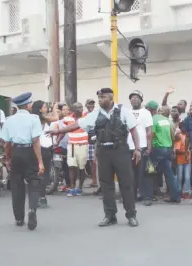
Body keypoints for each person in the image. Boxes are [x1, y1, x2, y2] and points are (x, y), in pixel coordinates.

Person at [50, 88, 142, 227]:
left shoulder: (123, 111)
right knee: (106, 185)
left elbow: (133, 130)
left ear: (111, 99)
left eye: (103, 97)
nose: (100, 100)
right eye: (99, 98)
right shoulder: (95, 114)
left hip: (120, 151)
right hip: (103, 151)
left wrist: (137, 148)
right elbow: (77, 125)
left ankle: (131, 215)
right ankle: (110, 215)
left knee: (126, 183)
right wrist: (58, 131)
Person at [1, 92, 45, 230]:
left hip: (16, 152)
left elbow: (6, 143)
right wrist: (40, 162)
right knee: (34, 181)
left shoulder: (9, 120)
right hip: (29, 151)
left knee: (17, 185)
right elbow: (36, 141)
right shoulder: (34, 119)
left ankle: (19, 218)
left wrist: (8, 159)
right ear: (27, 105)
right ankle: (32, 209)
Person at [144, 101, 180, 204]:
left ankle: (149, 197)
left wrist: (148, 148)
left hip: (157, 149)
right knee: (169, 173)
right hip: (167, 149)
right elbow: (173, 135)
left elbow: (151, 135)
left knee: (149, 172)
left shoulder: (152, 120)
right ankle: (175, 197)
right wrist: (172, 149)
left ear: (150, 110)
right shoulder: (166, 120)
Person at [127, 90, 153, 202]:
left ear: (141, 100)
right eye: (132, 98)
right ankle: (132, 196)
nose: (134, 99)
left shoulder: (146, 113)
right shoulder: (127, 112)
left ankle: (147, 196)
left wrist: (149, 147)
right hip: (129, 147)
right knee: (130, 173)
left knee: (143, 173)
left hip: (142, 146)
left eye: (136, 98)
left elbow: (149, 131)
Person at [31, 101, 56, 208]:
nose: (46, 109)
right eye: (44, 107)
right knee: (43, 174)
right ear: (39, 109)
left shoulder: (33, 118)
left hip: (35, 149)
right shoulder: (42, 118)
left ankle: (38, 197)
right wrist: (54, 108)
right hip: (42, 149)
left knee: (37, 174)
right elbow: (56, 118)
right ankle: (42, 197)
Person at [62, 102, 88, 196]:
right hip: (72, 145)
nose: (79, 109)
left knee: (81, 167)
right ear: (73, 110)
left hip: (83, 145)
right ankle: (72, 187)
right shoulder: (67, 119)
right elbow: (64, 131)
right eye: (77, 108)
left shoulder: (86, 117)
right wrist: (57, 141)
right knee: (71, 166)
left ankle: (80, 188)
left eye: (81, 107)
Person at [85, 99, 98, 189]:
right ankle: (94, 181)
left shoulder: (97, 114)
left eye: (92, 104)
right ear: (86, 105)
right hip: (87, 140)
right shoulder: (84, 115)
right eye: (89, 104)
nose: (91, 106)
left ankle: (95, 181)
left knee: (95, 162)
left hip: (95, 140)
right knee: (91, 162)